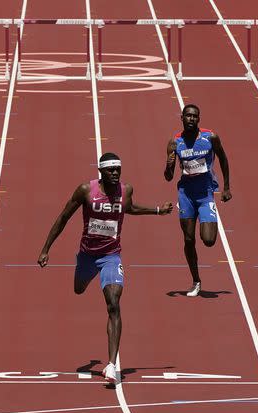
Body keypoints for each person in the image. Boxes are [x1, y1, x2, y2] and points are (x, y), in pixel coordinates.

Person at [38, 153, 173, 385]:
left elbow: (130, 208)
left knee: (114, 303)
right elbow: (63, 218)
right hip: (87, 256)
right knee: (78, 289)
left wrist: (158, 210)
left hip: (111, 256)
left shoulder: (126, 190)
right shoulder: (85, 191)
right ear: (101, 171)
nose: (115, 173)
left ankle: (111, 365)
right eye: (110, 170)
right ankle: (84, 274)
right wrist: (45, 248)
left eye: (118, 169)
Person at [164, 104, 231, 298]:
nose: (191, 119)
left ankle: (209, 217)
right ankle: (196, 280)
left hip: (205, 193)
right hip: (186, 194)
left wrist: (226, 187)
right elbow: (168, 177)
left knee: (209, 240)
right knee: (188, 238)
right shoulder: (174, 143)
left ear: (199, 119)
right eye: (188, 116)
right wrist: (168, 166)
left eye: (195, 116)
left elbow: (224, 159)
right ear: (182, 118)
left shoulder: (210, 137)